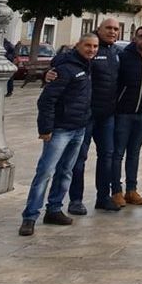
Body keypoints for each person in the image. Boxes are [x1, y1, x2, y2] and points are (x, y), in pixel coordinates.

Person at [18, 34, 98, 236]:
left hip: (79, 127)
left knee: (66, 171)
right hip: (61, 129)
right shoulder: (65, 67)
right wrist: (45, 129)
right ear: (77, 46)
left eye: (95, 46)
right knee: (45, 171)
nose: (91, 49)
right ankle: (30, 216)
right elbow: (46, 100)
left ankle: (54, 209)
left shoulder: (86, 66)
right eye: (87, 45)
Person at [66, 18, 121, 214]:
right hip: (86, 115)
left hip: (108, 115)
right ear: (99, 29)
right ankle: (75, 200)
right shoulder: (91, 49)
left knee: (107, 156)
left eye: (116, 29)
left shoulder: (116, 52)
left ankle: (103, 197)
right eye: (109, 28)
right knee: (79, 158)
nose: (113, 32)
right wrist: (52, 71)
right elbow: (67, 60)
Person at [112, 26, 142, 207]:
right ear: (135, 37)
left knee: (134, 153)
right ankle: (116, 190)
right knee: (118, 153)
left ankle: (131, 190)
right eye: (141, 37)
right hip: (123, 112)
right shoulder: (123, 57)